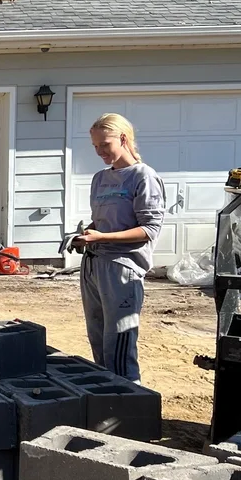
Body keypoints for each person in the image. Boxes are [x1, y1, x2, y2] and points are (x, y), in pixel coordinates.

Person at [73, 113, 166, 384]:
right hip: (93, 266)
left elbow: (149, 230)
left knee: (120, 347)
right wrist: (86, 236)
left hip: (122, 269)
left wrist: (102, 237)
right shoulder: (100, 179)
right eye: (95, 147)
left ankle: (129, 406)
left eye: (105, 144)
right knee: (99, 341)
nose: (100, 152)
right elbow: (102, 222)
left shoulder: (144, 177)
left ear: (123, 139)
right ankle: (105, 402)